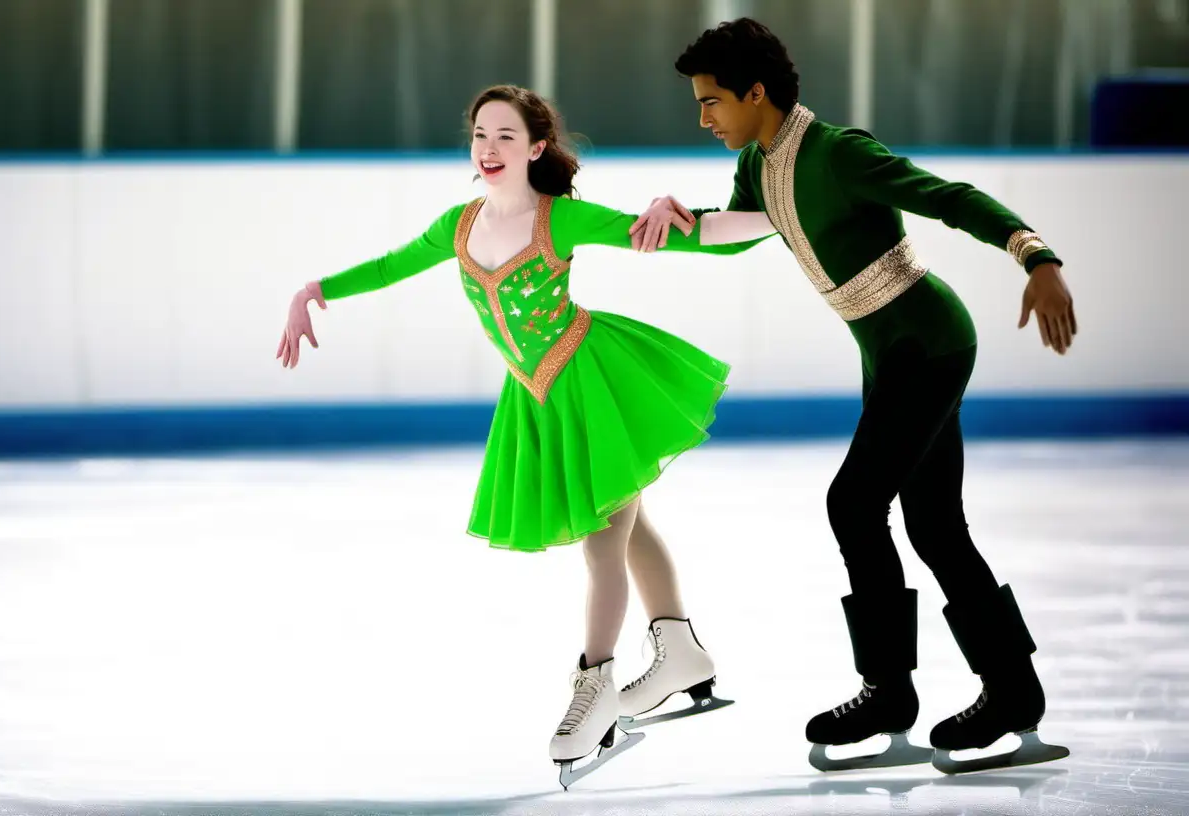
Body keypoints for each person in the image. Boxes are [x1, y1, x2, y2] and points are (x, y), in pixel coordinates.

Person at [276, 84, 776, 788]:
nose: (488, 147)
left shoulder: (559, 221)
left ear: (536, 148)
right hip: (536, 396)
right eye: (480, 134)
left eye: (506, 135)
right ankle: (680, 649)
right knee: (629, 528)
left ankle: (594, 682)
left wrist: (778, 219)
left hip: (594, 383)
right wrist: (314, 290)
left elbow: (686, 237)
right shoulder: (457, 225)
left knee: (606, 534)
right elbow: (391, 266)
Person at [627, 18, 1076, 775]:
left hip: (929, 343)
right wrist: (678, 218)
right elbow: (742, 230)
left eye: (711, 102)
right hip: (889, 355)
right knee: (933, 526)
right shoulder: (758, 162)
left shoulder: (838, 152)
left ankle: (889, 691)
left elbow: (948, 197)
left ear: (756, 92)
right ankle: (1010, 693)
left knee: (854, 503)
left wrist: (1035, 255)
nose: (703, 118)